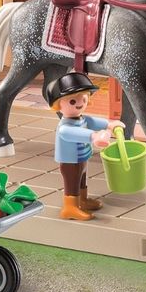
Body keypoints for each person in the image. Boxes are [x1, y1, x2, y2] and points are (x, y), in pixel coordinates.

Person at [45, 71, 123, 221]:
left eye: (84, 99)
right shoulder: (64, 127)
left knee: (82, 179)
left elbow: (93, 121)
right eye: (72, 101)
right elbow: (76, 133)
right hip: (70, 162)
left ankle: (82, 200)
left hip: (81, 158)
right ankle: (70, 207)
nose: (80, 103)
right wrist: (94, 136)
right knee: (72, 183)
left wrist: (109, 124)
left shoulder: (82, 118)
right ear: (58, 105)